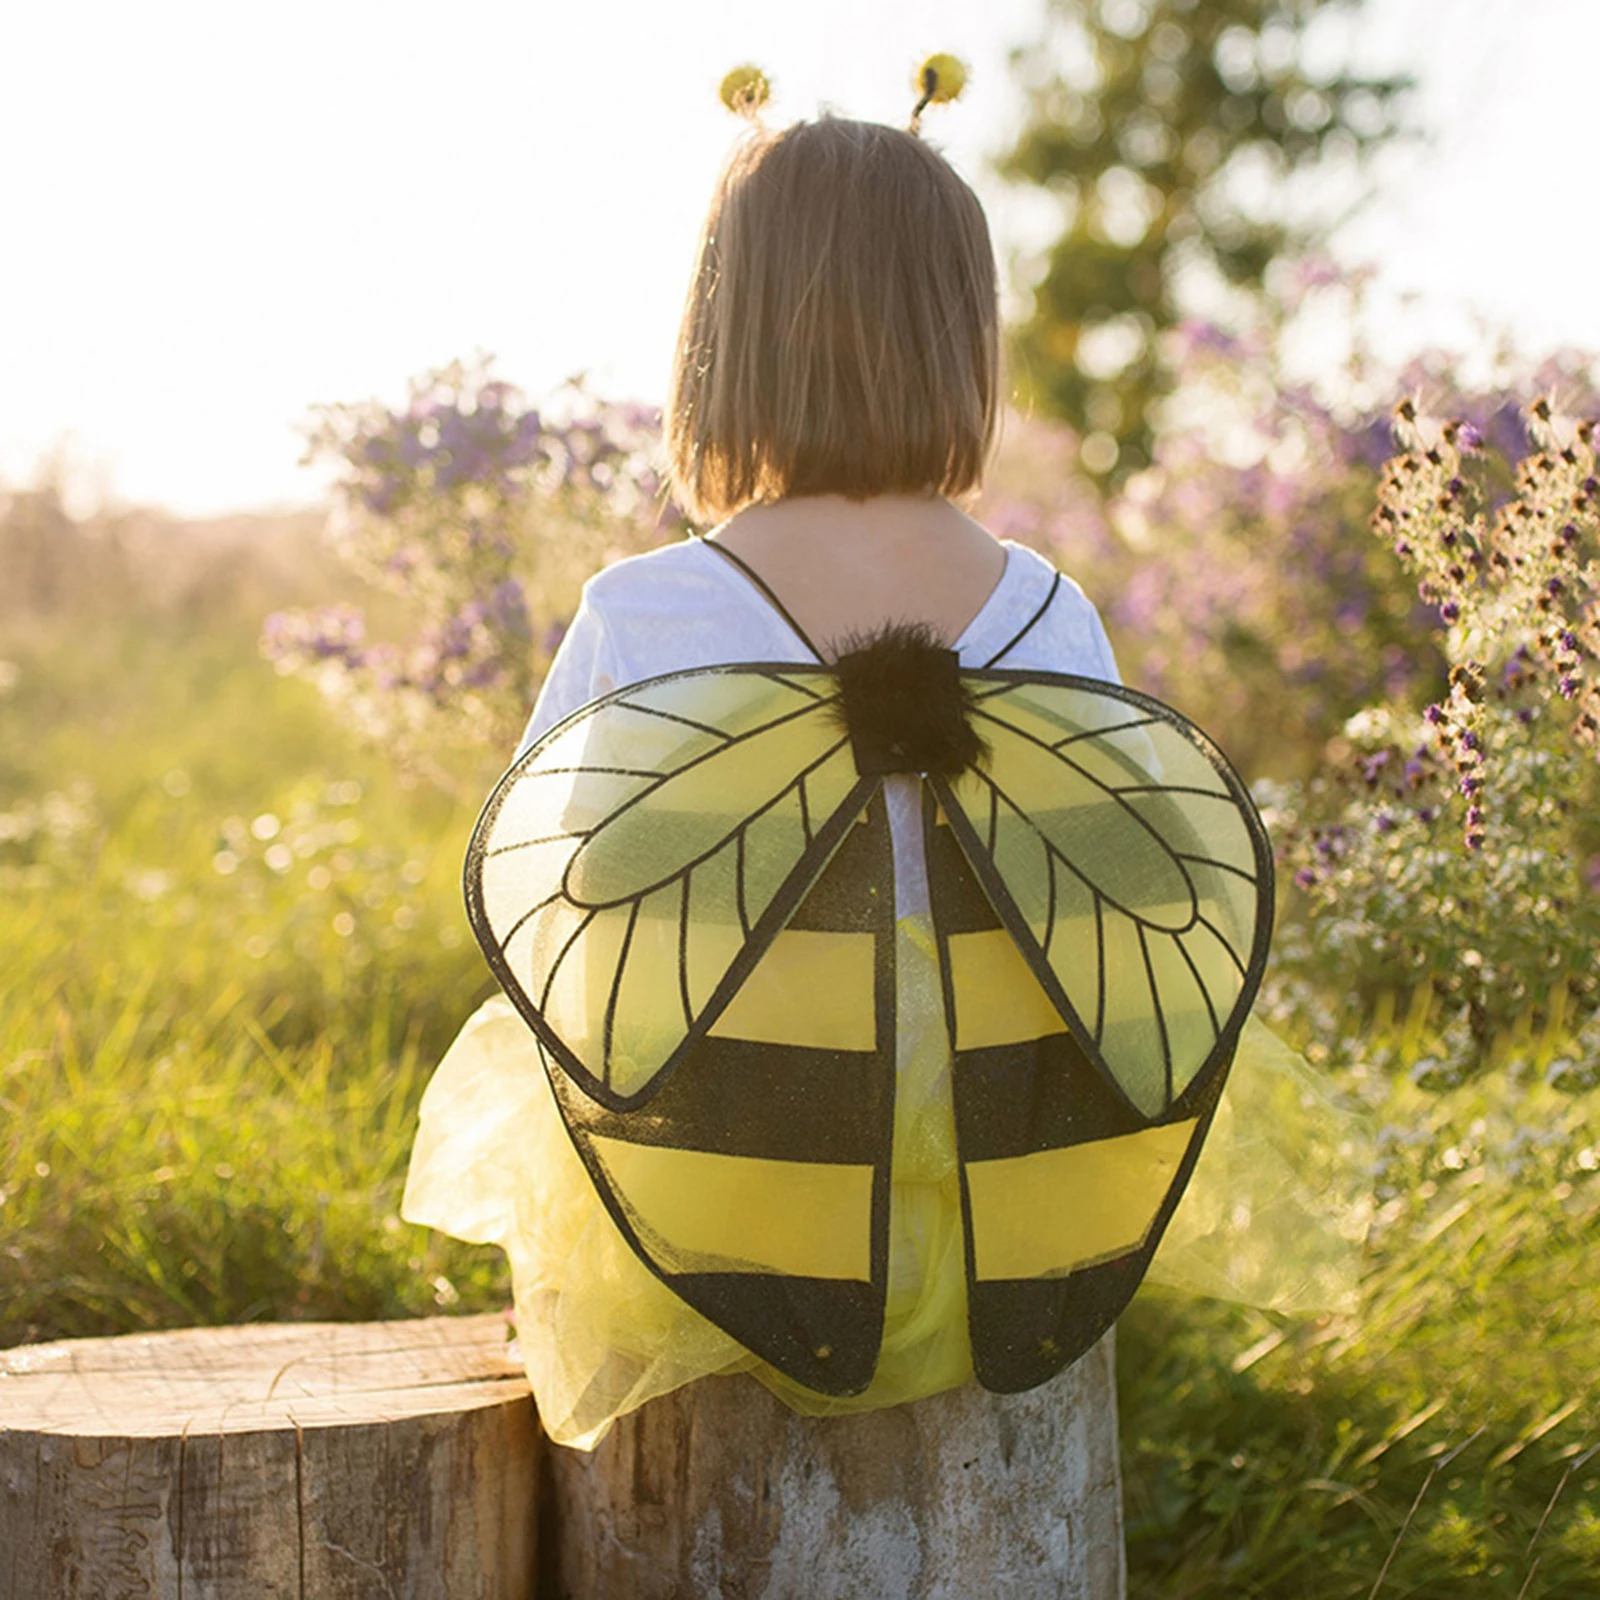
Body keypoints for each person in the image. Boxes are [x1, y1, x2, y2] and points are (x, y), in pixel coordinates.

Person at [402, 62, 1367, 1462]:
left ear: (722, 340)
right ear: (961, 338)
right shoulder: (1048, 608)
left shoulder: (647, 611)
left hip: (733, 1179)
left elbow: (563, 915)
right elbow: (1105, 919)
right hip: (1010, 1188)